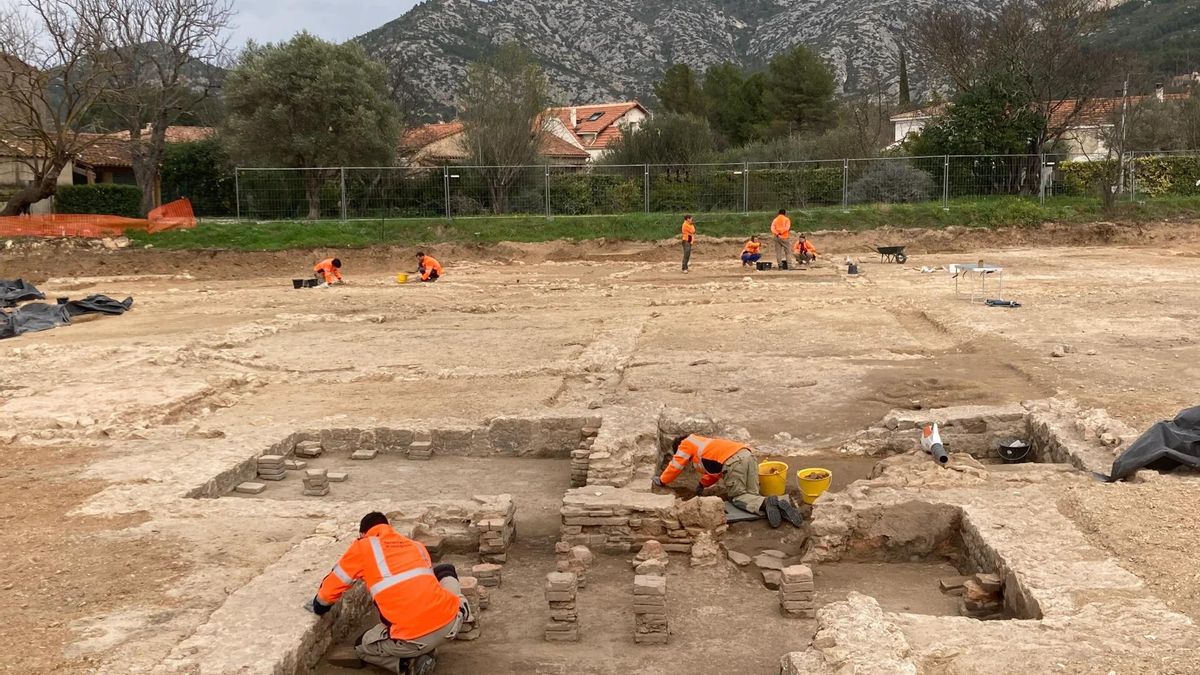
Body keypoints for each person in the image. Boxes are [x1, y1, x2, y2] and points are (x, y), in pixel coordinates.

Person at [306, 512, 469, 675]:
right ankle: (465, 613)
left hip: (415, 639)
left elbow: (330, 589)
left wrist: (318, 606)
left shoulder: (364, 546)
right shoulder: (415, 545)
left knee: (362, 646)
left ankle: (409, 665)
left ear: (363, 534)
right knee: (445, 570)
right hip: (451, 623)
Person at [652, 435, 804, 528]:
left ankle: (766, 503)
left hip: (734, 463)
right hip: (748, 456)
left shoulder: (686, 444)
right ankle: (777, 503)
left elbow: (676, 464)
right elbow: (716, 472)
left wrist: (663, 480)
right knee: (752, 494)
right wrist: (702, 484)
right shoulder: (705, 444)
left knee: (738, 497)